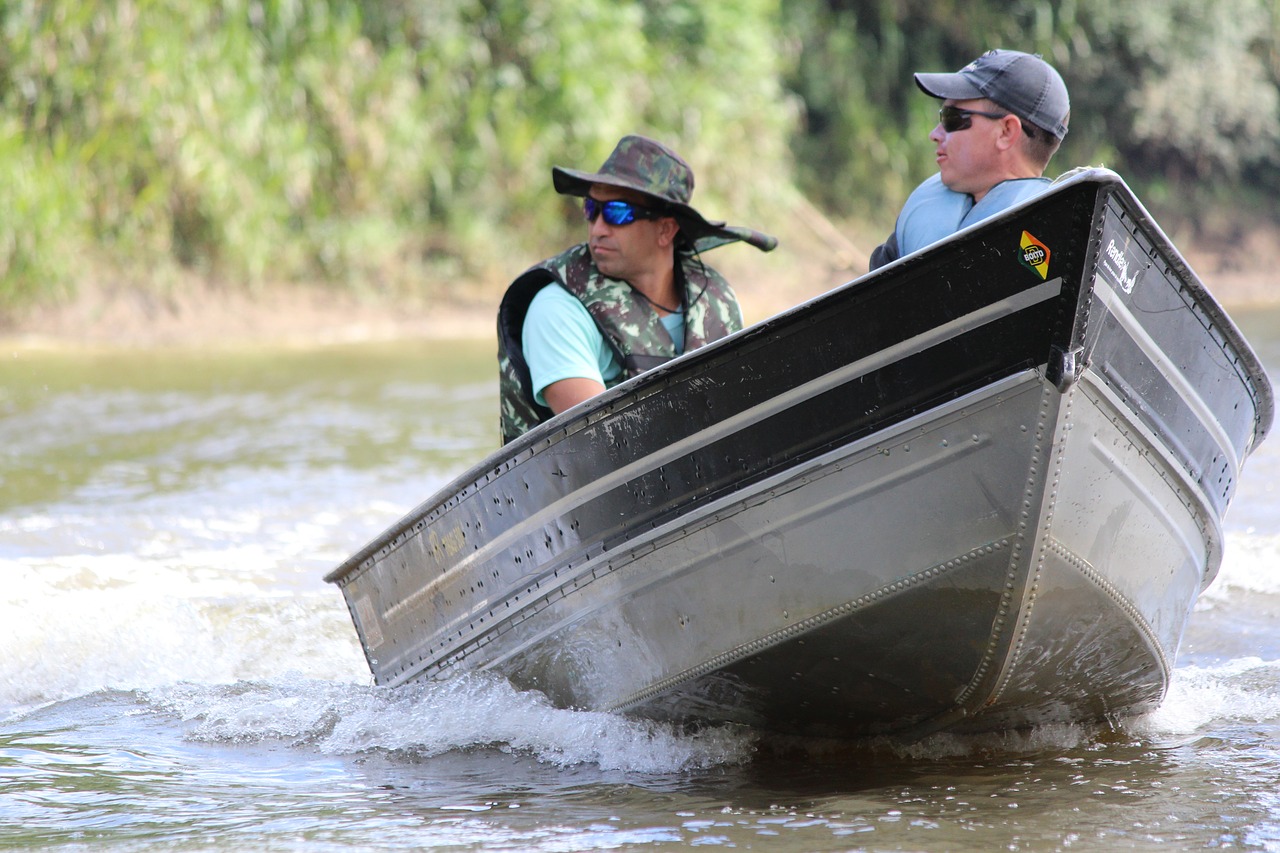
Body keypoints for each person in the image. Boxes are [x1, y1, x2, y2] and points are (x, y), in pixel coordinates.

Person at [497, 134, 777, 444]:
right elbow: (600, 445)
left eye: (618, 212)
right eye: (592, 208)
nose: (598, 228)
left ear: (666, 229)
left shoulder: (717, 300)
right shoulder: (555, 311)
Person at [868, 49, 1070, 270]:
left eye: (952, 118)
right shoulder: (921, 213)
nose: (934, 134)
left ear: (1006, 132)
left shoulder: (1065, 241)